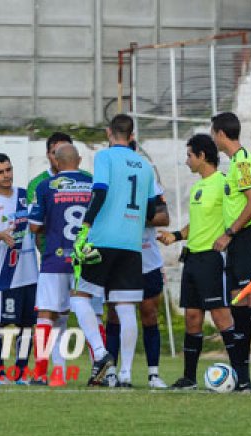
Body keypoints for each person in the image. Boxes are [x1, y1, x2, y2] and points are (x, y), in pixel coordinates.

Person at [69, 114, 159, 386]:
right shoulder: (145, 166)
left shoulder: (105, 157)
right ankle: (126, 374)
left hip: (104, 238)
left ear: (109, 132)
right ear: (132, 135)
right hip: (132, 244)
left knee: (78, 296)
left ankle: (100, 352)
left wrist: (85, 225)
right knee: (125, 307)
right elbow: (152, 209)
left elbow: (100, 192)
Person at [157, 134, 248, 389]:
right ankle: (189, 378)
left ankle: (241, 378)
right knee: (192, 318)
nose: (187, 161)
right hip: (192, 259)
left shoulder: (223, 183)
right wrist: (174, 236)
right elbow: (195, 225)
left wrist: (229, 236)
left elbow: (241, 211)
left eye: (189, 155)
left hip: (212, 259)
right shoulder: (197, 187)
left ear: (202, 156)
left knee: (221, 317)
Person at [211, 112, 251, 392]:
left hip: (248, 239)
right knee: (238, 307)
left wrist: (230, 233)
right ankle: (243, 378)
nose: (213, 138)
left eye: (214, 133)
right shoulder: (235, 163)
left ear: (221, 134)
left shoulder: (244, 162)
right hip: (239, 244)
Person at [105, 140, 171, 388]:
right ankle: (112, 372)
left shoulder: (148, 178)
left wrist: (136, 216)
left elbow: (164, 216)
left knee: (149, 313)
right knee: (114, 314)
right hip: (119, 257)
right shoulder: (109, 179)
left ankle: (153, 374)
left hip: (146, 258)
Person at [28, 143, 94, 387]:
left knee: (47, 313)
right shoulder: (92, 184)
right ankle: (101, 370)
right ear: (79, 159)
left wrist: (52, 222)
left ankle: (40, 372)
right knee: (90, 313)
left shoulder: (46, 186)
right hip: (86, 260)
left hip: (55, 258)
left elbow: (34, 226)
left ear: (56, 161)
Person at [0, 153, 39, 384]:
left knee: (27, 326)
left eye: (9, 170)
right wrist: (0, 235)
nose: (6, 176)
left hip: (29, 272)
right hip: (5, 275)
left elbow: (36, 226)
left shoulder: (24, 196)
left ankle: (21, 372)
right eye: (0, 172)